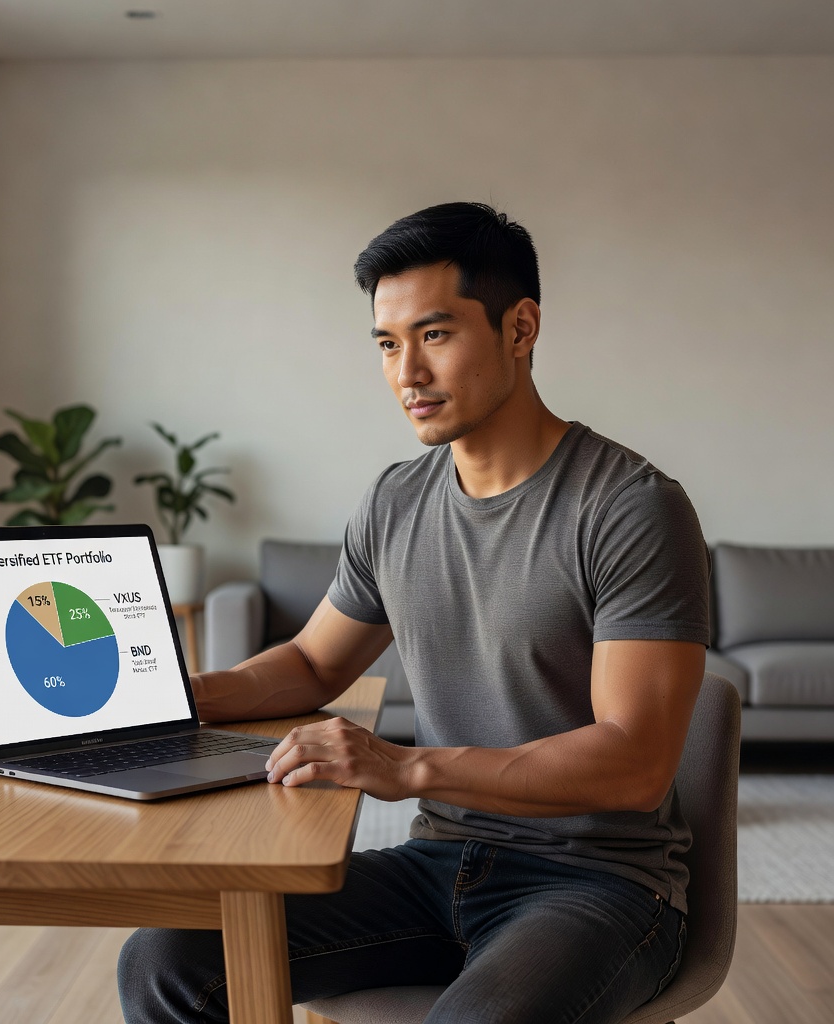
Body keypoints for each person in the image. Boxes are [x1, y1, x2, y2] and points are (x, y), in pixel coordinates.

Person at [117, 202, 710, 1024]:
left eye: (434, 335)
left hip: (599, 883)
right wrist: (175, 699)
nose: (408, 374)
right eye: (389, 344)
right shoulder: (395, 501)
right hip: (437, 864)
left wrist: (407, 767)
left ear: (520, 328)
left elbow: (635, 762)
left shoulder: (630, 507)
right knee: (166, 959)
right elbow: (314, 663)